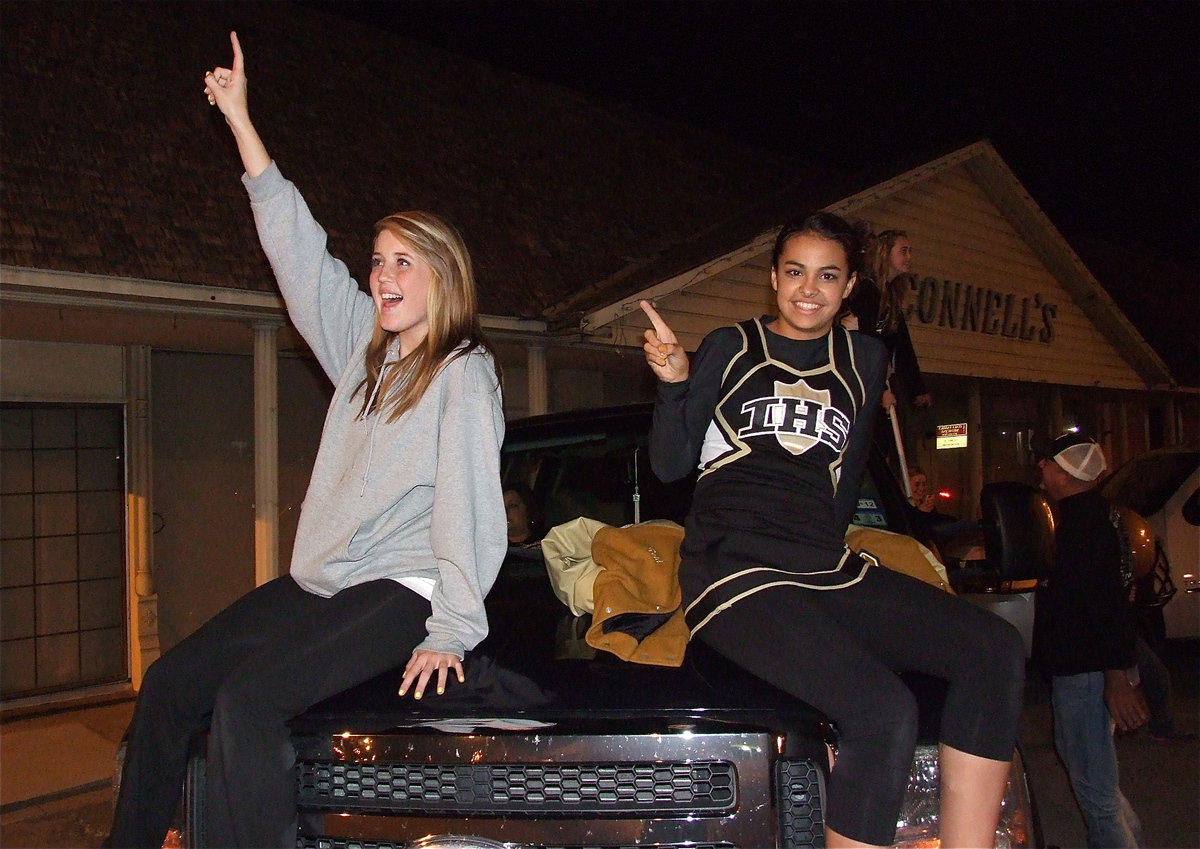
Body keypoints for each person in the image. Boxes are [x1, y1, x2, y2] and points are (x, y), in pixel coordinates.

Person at [109, 33, 506, 848]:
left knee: (249, 702)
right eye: (378, 260)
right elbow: (298, 248)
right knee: (170, 684)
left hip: (404, 586)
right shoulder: (363, 347)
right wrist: (242, 121)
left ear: (443, 275)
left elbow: (471, 500)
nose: (383, 276)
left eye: (404, 262)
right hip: (322, 581)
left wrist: (454, 625)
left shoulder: (463, 372)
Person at [640, 212, 1025, 848]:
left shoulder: (865, 359)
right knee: (883, 709)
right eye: (794, 272)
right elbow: (670, 465)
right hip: (733, 572)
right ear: (773, 278)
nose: (808, 289)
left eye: (827, 275)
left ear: (849, 287)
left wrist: (839, 553)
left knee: (995, 650)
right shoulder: (729, 347)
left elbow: (844, 484)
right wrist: (676, 385)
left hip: (822, 565)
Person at [1032, 432, 1147, 848]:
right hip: (1095, 663)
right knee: (1095, 774)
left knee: (1093, 786)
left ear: (1064, 472)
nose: (1041, 468)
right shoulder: (1103, 514)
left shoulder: (1081, 526)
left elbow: (1102, 603)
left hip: (1089, 668)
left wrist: (1114, 676)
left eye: (1047, 462)